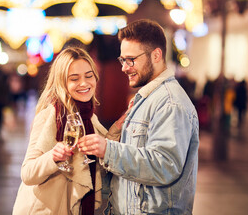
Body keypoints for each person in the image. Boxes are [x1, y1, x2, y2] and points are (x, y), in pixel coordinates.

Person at [78, 19, 199, 214]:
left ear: (156, 55)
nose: (124, 67)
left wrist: (108, 150)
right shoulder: (147, 97)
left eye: (131, 59)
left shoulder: (169, 103)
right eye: (122, 60)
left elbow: (165, 165)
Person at [12, 47, 107, 215]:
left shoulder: (89, 117)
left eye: (88, 76)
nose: (84, 83)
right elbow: (27, 173)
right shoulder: (51, 115)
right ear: (62, 82)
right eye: (74, 78)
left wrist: (121, 124)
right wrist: (53, 157)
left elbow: (105, 143)